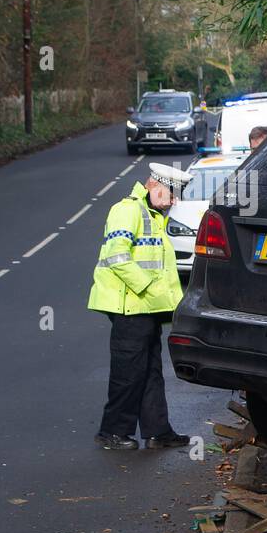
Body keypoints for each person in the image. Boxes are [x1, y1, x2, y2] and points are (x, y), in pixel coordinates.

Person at [87, 163, 192, 450]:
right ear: (155, 186)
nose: (174, 201)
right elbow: (117, 256)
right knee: (128, 372)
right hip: (129, 305)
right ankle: (111, 432)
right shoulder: (127, 210)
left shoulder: (152, 214)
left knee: (150, 370)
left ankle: (158, 431)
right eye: (171, 195)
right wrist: (149, 287)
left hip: (147, 307)